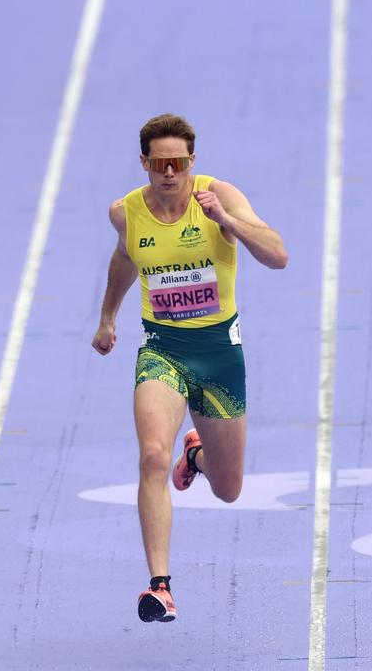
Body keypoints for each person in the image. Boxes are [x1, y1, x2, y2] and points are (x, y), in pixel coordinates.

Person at [91, 114, 288, 623]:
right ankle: (160, 586)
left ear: (192, 162)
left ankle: (198, 459)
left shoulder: (219, 194)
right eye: (160, 164)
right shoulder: (126, 212)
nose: (170, 172)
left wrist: (228, 221)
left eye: (178, 163)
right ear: (145, 164)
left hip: (220, 352)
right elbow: (125, 259)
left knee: (228, 489)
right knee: (152, 455)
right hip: (164, 348)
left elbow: (278, 256)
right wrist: (108, 317)